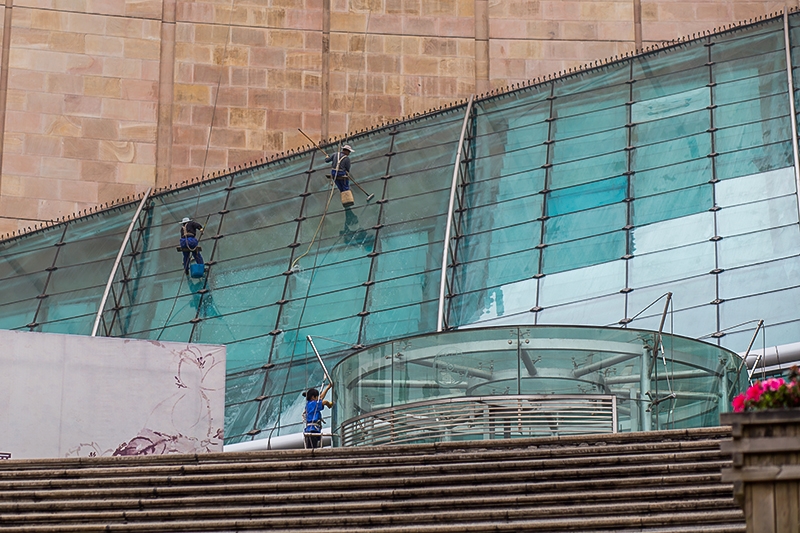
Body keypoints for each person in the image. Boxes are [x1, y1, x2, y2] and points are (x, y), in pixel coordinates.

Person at [303, 383, 333, 449]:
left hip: (309, 430)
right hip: (313, 430)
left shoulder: (309, 404)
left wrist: (327, 388)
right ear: (313, 397)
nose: (318, 398)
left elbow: (321, 398)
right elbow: (324, 402)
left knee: (310, 447)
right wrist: (329, 404)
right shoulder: (314, 404)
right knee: (312, 449)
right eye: (316, 397)